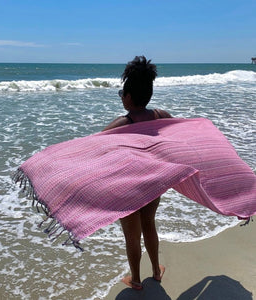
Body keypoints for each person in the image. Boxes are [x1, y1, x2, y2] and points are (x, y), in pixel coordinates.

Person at [103, 56, 172, 290]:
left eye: (122, 93)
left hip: (127, 186)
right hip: (153, 182)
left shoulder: (121, 124)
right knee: (149, 224)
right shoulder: (162, 116)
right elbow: (182, 138)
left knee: (131, 236)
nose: (121, 97)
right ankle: (156, 270)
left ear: (129, 97)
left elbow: (92, 147)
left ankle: (135, 279)